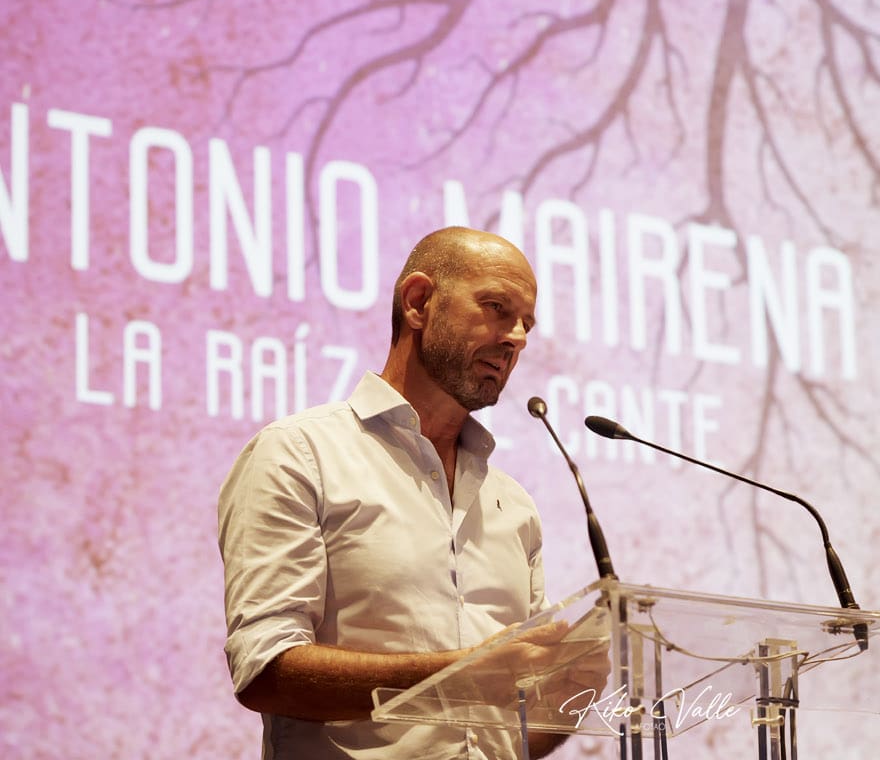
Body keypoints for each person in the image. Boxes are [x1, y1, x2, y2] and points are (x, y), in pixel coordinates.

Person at [218, 227, 599, 759]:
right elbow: (266, 671)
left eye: (526, 324)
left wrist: (572, 691)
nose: (517, 338)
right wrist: (459, 677)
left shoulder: (513, 505)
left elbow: (512, 733)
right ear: (418, 302)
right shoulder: (299, 455)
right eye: (496, 307)